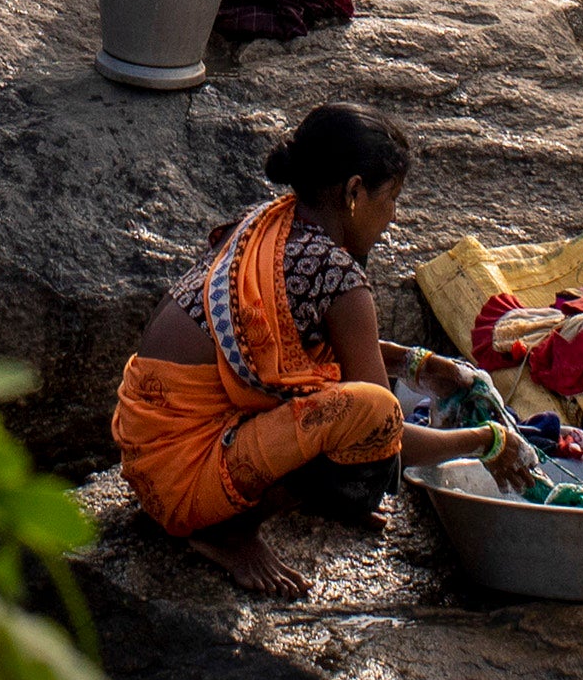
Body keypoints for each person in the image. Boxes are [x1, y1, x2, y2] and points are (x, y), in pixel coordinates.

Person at [117, 103, 512, 595]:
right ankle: (228, 532)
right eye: (390, 198)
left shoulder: (266, 223)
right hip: (187, 486)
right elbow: (382, 426)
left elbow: (304, 350)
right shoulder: (338, 278)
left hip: (143, 456)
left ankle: (251, 505)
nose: (393, 216)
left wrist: (424, 366)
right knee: (369, 430)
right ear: (353, 192)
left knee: (332, 392)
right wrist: (487, 441)